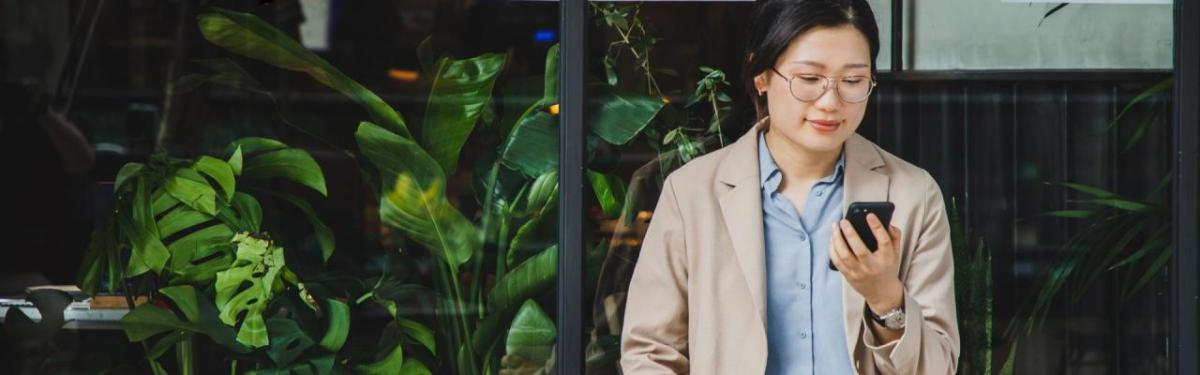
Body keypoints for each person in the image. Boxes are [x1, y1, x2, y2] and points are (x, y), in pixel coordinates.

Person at [619, 1, 959, 373]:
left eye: (852, 81)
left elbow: (939, 367)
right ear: (761, 75)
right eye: (809, 79)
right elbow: (649, 354)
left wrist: (886, 299)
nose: (831, 102)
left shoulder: (913, 195)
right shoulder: (691, 194)